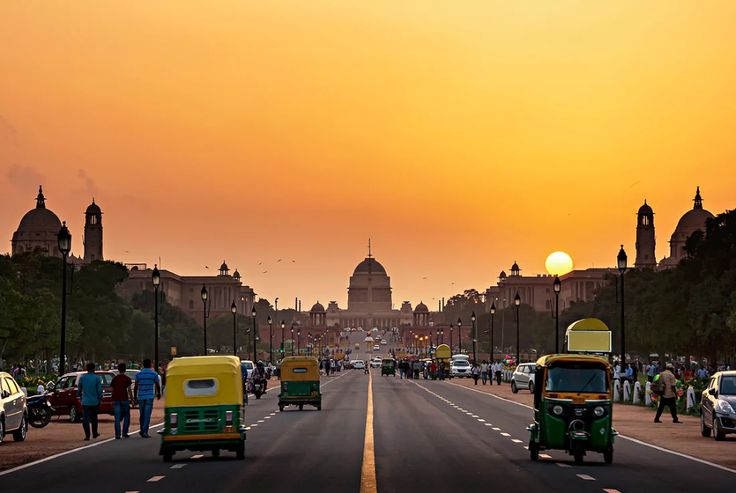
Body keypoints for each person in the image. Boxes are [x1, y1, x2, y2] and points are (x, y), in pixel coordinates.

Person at [134, 359, 161, 438]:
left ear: (143, 364)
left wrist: (135, 397)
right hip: (149, 396)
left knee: (142, 414)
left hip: (141, 396)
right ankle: (145, 431)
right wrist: (159, 393)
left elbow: (135, 387)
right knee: (147, 415)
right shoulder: (154, 374)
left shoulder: (139, 375)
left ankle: (142, 429)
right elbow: (157, 385)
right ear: (150, 365)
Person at [78, 362, 102, 440]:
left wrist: (80, 396)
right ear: (93, 369)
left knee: (85, 419)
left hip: (85, 401)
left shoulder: (82, 378)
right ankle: (94, 433)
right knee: (94, 418)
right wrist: (100, 398)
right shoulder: (97, 378)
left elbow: (79, 390)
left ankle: (87, 435)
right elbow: (99, 390)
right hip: (95, 401)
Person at [110, 362, 132, 439]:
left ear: (118, 369)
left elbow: (112, 390)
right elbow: (129, 390)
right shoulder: (127, 379)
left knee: (117, 417)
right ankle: (125, 432)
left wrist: (112, 400)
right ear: (125, 370)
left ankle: (117, 434)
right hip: (124, 399)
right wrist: (132, 399)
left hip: (116, 399)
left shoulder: (114, 379)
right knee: (127, 416)